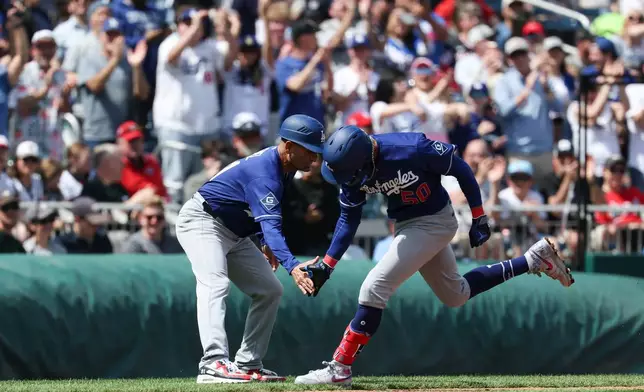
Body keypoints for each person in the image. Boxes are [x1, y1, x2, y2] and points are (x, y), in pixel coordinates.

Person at [294, 126, 574, 386]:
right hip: (408, 224)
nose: (348, 181)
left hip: (434, 221)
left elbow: (461, 169)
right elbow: (348, 219)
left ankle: (340, 368)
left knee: (374, 287)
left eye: (350, 174)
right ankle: (533, 260)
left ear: (365, 158)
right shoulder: (354, 165)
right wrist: (328, 264)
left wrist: (479, 215)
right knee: (456, 295)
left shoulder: (412, 148)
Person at [175, 114, 326, 383]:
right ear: (289, 146)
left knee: (270, 290)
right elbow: (271, 225)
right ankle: (212, 362)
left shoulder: (284, 166)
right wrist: (292, 265)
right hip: (203, 220)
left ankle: (247, 363)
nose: (314, 159)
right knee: (215, 283)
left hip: (236, 231)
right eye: (310, 150)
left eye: (317, 151)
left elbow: (257, 211)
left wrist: (265, 242)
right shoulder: (265, 173)